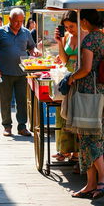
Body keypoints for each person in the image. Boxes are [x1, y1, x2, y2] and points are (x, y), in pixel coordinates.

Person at [67, 9, 104, 199]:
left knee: (89, 136)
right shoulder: (102, 37)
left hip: (90, 93)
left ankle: (101, 182)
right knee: (93, 135)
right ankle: (90, 184)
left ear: (86, 21)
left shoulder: (90, 40)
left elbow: (86, 68)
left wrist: (72, 77)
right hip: (100, 92)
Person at [0, 8, 40, 137]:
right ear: (10, 20)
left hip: (22, 73)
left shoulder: (26, 32)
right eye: (16, 21)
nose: (19, 24)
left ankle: (22, 126)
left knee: (22, 100)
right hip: (5, 72)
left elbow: (31, 46)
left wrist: (34, 50)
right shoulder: (1, 32)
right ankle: (7, 126)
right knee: (5, 100)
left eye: (21, 21)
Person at [53, 11, 86, 164]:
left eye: (71, 26)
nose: (69, 29)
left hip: (82, 75)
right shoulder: (67, 36)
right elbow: (64, 59)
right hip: (68, 76)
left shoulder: (86, 35)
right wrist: (59, 42)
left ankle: (78, 154)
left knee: (78, 116)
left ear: (79, 23)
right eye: (66, 26)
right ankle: (67, 150)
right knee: (66, 113)